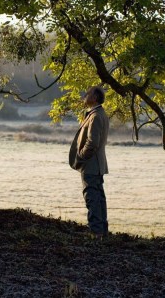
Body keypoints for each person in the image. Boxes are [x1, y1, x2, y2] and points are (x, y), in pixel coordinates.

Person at [69, 86, 110, 237]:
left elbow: (92, 143)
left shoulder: (95, 116)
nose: (85, 95)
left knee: (92, 197)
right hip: (97, 164)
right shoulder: (99, 114)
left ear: (95, 98)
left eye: (88, 94)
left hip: (91, 164)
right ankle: (102, 231)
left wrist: (81, 156)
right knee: (98, 198)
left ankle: (96, 232)